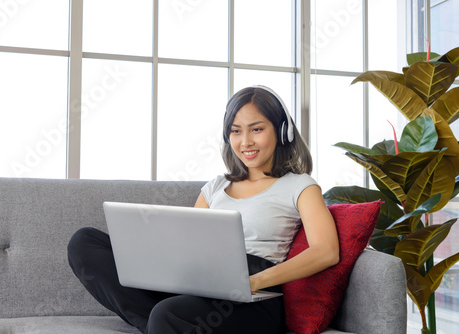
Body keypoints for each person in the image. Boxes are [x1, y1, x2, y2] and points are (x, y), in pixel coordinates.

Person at [67, 85, 339, 334]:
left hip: (254, 298)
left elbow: (326, 251)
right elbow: (190, 241)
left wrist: (254, 281)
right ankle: (161, 326)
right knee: (84, 242)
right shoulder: (215, 187)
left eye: (257, 129)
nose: (245, 142)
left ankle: (162, 324)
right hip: (201, 282)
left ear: (282, 132)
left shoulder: (300, 185)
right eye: (236, 131)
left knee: (167, 314)